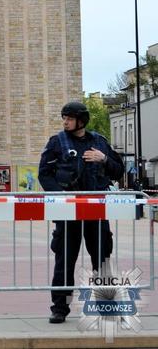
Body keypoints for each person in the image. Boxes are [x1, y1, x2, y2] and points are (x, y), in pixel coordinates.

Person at [38, 101, 123, 324]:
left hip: (95, 211)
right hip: (68, 213)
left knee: (102, 259)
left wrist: (103, 159)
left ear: (81, 120)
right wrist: (62, 197)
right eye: (64, 117)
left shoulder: (99, 142)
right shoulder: (57, 142)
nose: (65, 121)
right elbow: (44, 174)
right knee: (64, 262)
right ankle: (59, 308)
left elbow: (119, 169)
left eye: (69, 117)